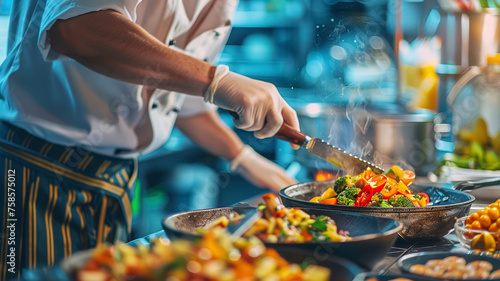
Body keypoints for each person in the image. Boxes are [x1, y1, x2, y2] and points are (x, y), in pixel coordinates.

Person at [0, 0, 300, 278]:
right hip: (35, 166)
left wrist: (242, 157)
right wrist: (214, 80)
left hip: (115, 179)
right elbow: (76, 27)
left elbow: (182, 98)